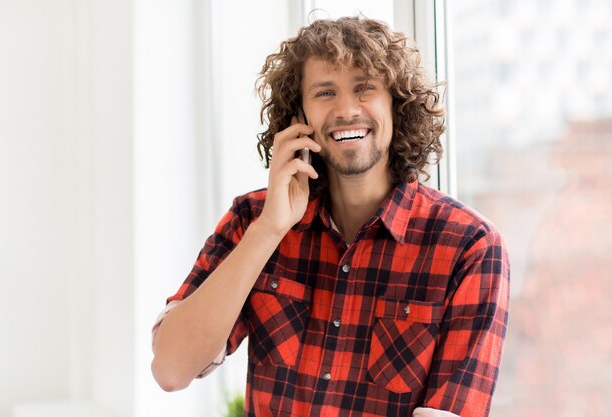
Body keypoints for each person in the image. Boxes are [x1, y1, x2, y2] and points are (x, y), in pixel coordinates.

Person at [151, 16, 509, 417]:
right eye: (325, 92)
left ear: (397, 104)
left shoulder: (470, 246)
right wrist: (269, 229)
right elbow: (170, 368)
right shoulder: (253, 217)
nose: (346, 110)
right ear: (298, 116)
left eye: (364, 89)